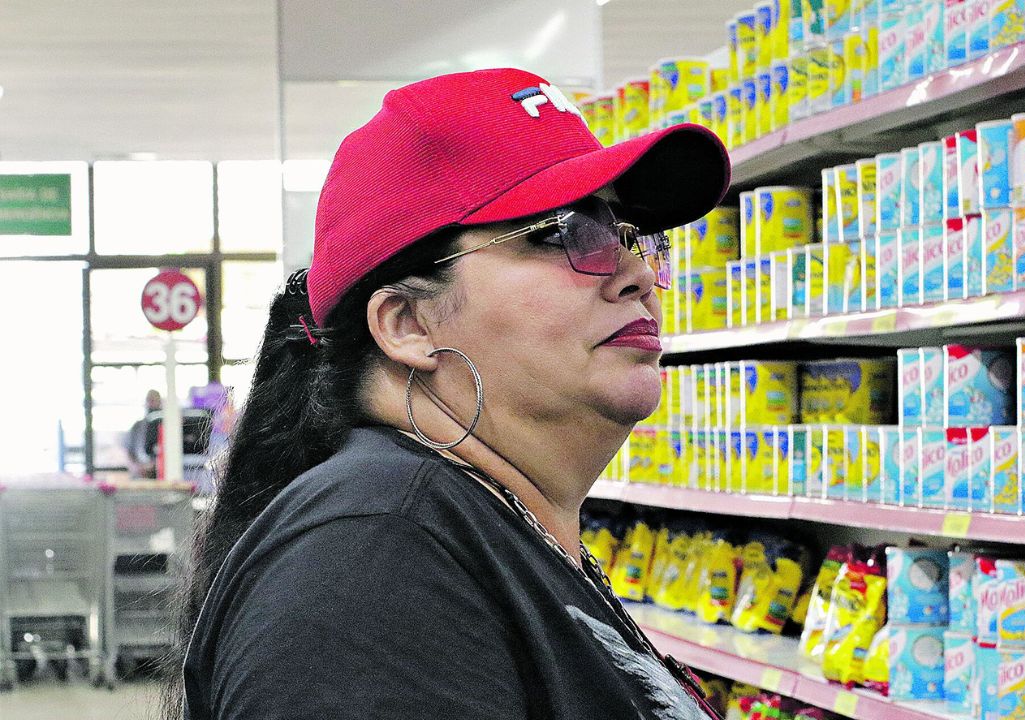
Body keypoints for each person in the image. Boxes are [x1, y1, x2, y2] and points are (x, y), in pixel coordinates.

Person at [167, 68, 729, 719]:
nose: (638, 275)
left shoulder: (469, 526)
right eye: (565, 230)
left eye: (633, 236)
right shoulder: (374, 563)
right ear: (408, 324)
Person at [125, 389, 162, 478]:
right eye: (149, 400)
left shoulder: (165, 425)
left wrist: (155, 464)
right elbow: (129, 451)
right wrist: (137, 467)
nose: (151, 403)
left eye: (154, 400)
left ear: (160, 402)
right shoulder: (137, 426)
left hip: (159, 471)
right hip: (139, 473)